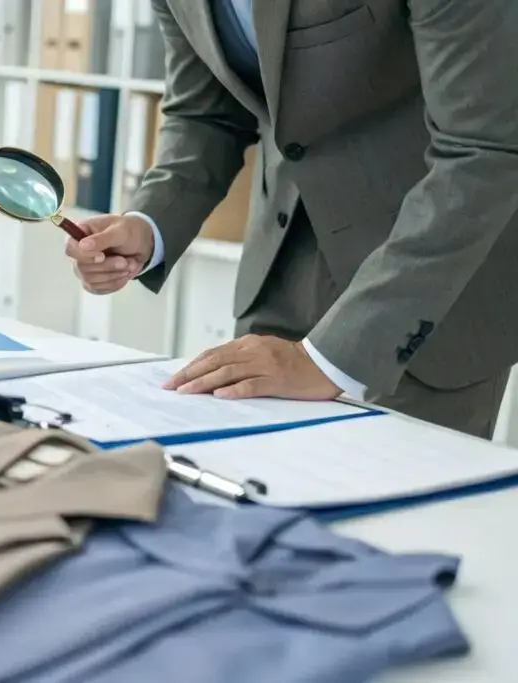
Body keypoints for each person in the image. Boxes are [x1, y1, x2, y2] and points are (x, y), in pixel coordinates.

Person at [65, 0, 518, 439]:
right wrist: (150, 224)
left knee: (390, 512)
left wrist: (329, 358)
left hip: (425, 298)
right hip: (279, 278)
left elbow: (483, 153)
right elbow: (205, 111)